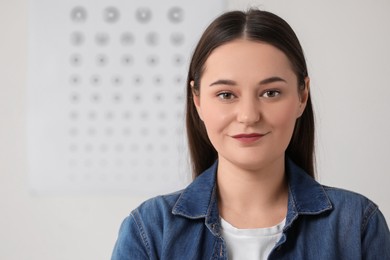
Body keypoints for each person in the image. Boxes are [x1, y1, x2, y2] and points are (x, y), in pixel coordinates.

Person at [112, 9, 390, 259]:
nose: (248, 115)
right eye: (226, 94)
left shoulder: (357, 225)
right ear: (197, 100)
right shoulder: (150, 230)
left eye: (271, 93)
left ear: (302, 96)